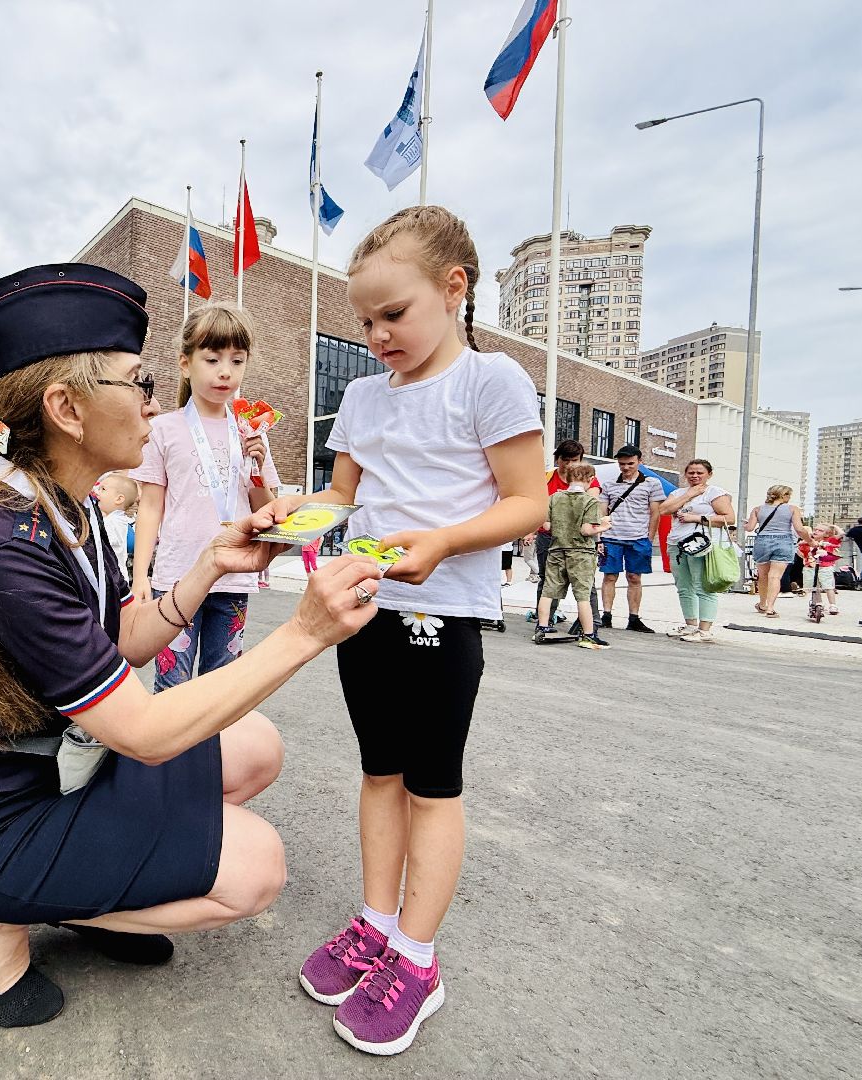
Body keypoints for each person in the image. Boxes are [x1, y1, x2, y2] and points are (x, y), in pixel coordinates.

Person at [0, 262, 382, 1028]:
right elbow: (147, 734)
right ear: (66, 408)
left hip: (64, 772)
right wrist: (305, 632)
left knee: (255, 746)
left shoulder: (68, 507)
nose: (153, 403)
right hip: (0, 818)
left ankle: (79, 895)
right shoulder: (9, 540)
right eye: (136, 381)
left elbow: (124, 639)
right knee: (256, 870)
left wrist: (210, 564)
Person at [262, 206, 546, 1056]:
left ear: (454, 288)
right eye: (365, 320)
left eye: (394, 315)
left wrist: (446, 543)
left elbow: (528, 501)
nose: (377, 334)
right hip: (365, 609)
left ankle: (417, 960)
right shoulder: (358, 395)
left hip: (441, 612)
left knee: (432, 785)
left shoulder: (490, 382)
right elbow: (341, 500)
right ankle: (376, 924)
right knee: (378, 772)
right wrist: (288, 514)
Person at [130, 303, 280, 690]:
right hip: (177, 576)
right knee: (171, 684)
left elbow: (267, 510)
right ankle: (171, 755)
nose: (225, 371)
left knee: (221, 686)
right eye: (212, 359)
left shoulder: (250, 432)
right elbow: (150, 506)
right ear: (186, 364)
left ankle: (214, 753)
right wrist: (140, 576)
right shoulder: (163, 429)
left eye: (237, 360)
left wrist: (259, 467)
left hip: (233, 574)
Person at [534, 463, 611, 649]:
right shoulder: (590, 501)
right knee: (582, 595)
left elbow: (546, 526)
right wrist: (604, 525)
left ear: (567, 478)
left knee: (548, 591)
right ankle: (589, 634)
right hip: (581, 553)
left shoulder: (554, 498)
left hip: (556, 550)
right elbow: (586, 530)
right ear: (590, 479)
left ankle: (542, 627)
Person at [659, 459, 735, 643]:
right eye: (691, 472)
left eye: (699, 472)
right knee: (684, 586)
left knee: (702, 586)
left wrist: (695, 518)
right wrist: (689, 495)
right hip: (677, 543)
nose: (695, 476)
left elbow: (729, 518)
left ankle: (705, 629)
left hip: (701, 543)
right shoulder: (678, 493)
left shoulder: (715, 493)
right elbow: (664, 510)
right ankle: (690, 625)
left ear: (709, 474)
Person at [528, 439, 600, 624]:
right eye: (565, 460)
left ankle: (592, 622)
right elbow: (537, 509)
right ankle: (545, 620)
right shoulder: (546, 477)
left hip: (578, 542)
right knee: (547, 581)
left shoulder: (587, 477)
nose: (569, 465)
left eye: (574, 460)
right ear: (557, 459)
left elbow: (592, 501)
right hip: (549, 539)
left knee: (586, 583)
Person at [596, 445, 665, 633]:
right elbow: (602, 511)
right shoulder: (609, 484)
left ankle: (634, 618)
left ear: (639, 462)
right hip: (611, 536)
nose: (626, 467)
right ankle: (606, 615)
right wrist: (600, 537)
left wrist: (649, 538)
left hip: (638, 537)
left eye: (630, 464)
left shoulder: (652, 483)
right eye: (622, 464)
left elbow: (655, 513)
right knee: (609, 576)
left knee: (634, 577)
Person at [744, 485, 811, 617]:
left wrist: (745, 524)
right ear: (783, 495)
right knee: (775, 576)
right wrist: (810, 541)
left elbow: (750, 528)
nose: (789, 498)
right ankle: (770, 608)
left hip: (762, 541)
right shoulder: (792, 509)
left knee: (763, 576)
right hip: (784, 541)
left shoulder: (758, 509)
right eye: (788, 495)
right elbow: (799, 529)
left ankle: (762, 604)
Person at [95, 472, 139, 576]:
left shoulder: (114, 522)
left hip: (113, 578)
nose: (97, 492)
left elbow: (98, 541)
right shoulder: (116, 519)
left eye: (103, 489)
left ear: (119, 499)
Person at [799, 524, 843, 616]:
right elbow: (800, 551)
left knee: (828, 586)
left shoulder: (829, 541)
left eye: (820, 530)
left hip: (825, 566)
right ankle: (818, 603)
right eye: (815, 529)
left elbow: (841, 534)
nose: (816, 531)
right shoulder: (808, 542)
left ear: (827, 534)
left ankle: (832, 605)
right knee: (814, 586)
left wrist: (834, 526)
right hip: (810, 566)